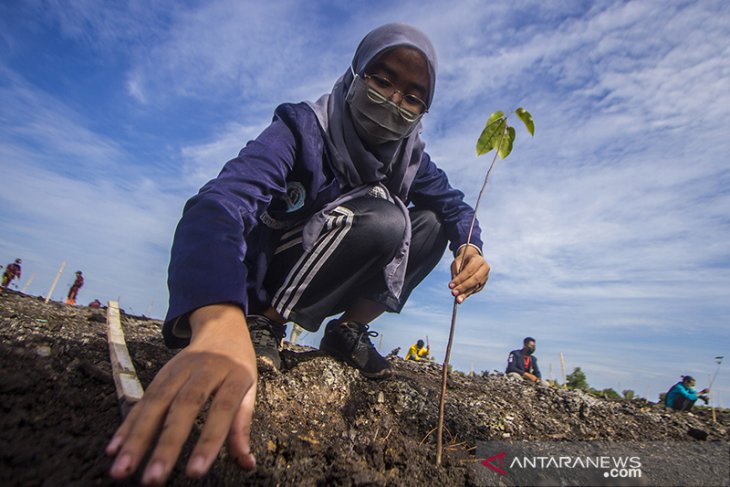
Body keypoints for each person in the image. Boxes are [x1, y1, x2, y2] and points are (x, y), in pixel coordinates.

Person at [106, 23, 490, 485]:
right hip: (274, 269)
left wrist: (471, 245)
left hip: (335, 256)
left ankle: (348, 331)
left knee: (425, 222)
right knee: (388, 218)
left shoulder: (410, 158)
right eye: (382, 80)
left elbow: (453, 207)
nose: (393, 102)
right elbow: (221, 205)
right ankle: (262, 322)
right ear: (355, 74)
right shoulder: (302, 128)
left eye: (413, 96)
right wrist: (215, 317)